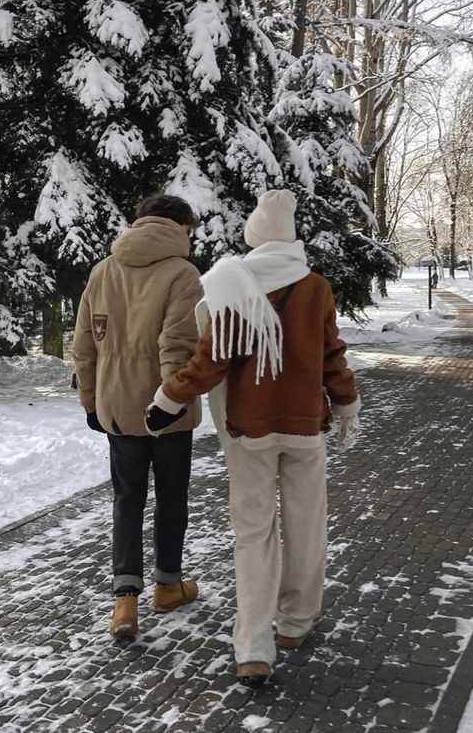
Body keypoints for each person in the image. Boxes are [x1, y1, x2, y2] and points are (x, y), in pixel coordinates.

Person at [145, 190, 361, 686]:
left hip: (249, 432)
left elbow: (208, 362)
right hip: (306, 429)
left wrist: (167, 400)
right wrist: (347, 405)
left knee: (253, 537)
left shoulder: (231, 286)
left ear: (255, 237)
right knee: (307, 528)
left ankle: (253, 648)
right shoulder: (315, 288)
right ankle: (295, 625)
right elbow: (333, 359)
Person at [73, 193, 204, 641]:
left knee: (127, 499)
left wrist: (91, 402)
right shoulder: (182, 273)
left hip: (116, 409)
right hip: (167, 411)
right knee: (171, 499)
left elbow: (84, 345)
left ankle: (124, 602)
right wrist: (169, 402)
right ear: (181, 225)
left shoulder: (103, 270)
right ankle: (168, 585)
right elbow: (177, 346)